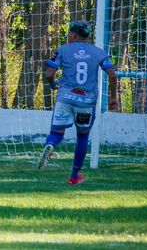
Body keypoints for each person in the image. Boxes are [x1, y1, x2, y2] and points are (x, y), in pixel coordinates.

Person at [37, 20, 119, 185]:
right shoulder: (98, 52)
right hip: (86, 102)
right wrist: (113, 96)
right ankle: (74, 176)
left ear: (73, 35)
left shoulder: (63, 50)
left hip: (65, 98)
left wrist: (53, 84)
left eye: (69, 33)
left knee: (56, 132)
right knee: (82, 136)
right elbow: (111, 74)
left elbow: (49, 73)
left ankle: (50, 145)